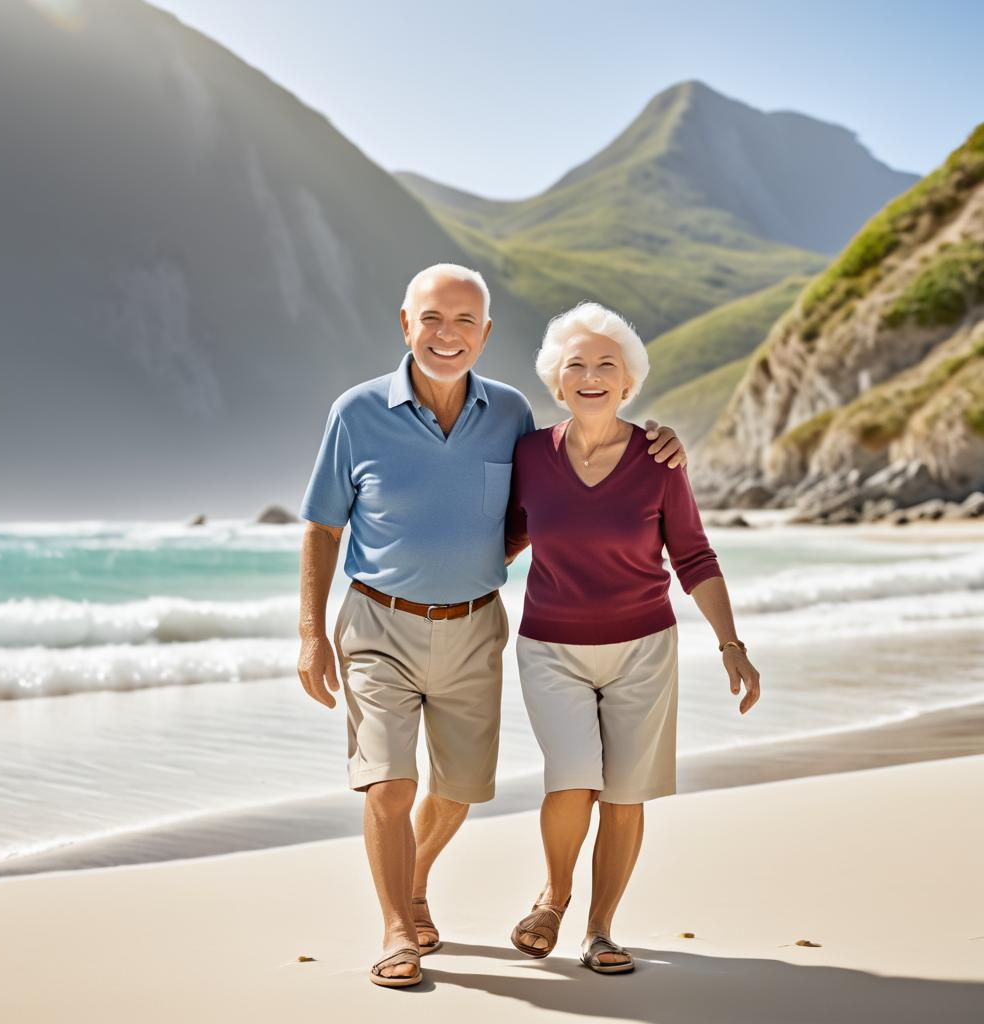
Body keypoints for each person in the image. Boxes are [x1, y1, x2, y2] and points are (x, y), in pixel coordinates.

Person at [297, 264, 688, 987]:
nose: (447, 336)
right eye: (433, 319)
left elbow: (566, 474)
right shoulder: (355, 413)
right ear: (406, 324)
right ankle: (394, 931)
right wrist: (311, 634)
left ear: (485, 333)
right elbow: (323, 527)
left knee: (460, 789)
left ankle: (413, 887)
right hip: (377, 625)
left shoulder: (509, 414)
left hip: (477, 627)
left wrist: (655, 441)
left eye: (464, 321)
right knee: (388, 781)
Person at [504, 300, 761, 975]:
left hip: (644, 648)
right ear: (556, 382)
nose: (591, 376)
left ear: (628, 383)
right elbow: (498, 539)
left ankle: (600, 930)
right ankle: (553, 897)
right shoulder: (528, 455)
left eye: (606, 365)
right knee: (572, 777)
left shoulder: (659, 459)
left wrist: (731, 644)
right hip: (549, 646)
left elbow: (695, 557)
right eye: (576, 365)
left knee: (623, 793)